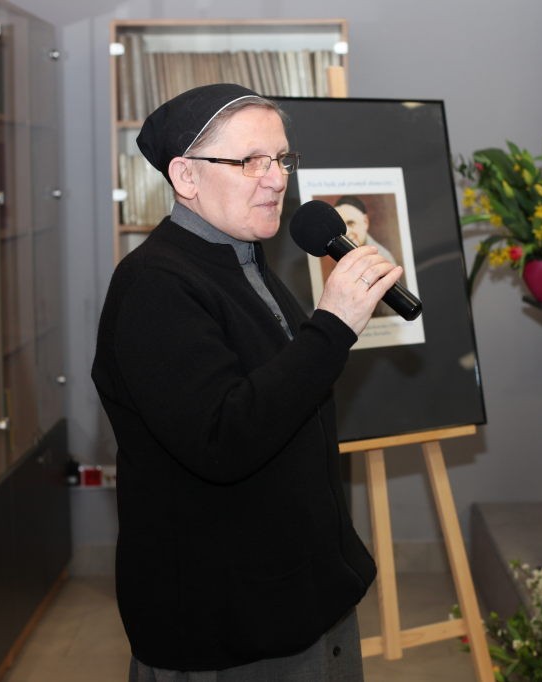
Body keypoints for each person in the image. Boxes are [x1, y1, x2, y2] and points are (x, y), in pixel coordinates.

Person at [91, 83, 403, 681]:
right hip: (229, 624)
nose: (277, 179)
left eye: (282, 159)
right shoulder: (154, 285)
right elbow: (223, 439)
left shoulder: (246, 259)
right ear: (185, 176)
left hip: (300, 592)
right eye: (251, 161)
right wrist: (332, 326)